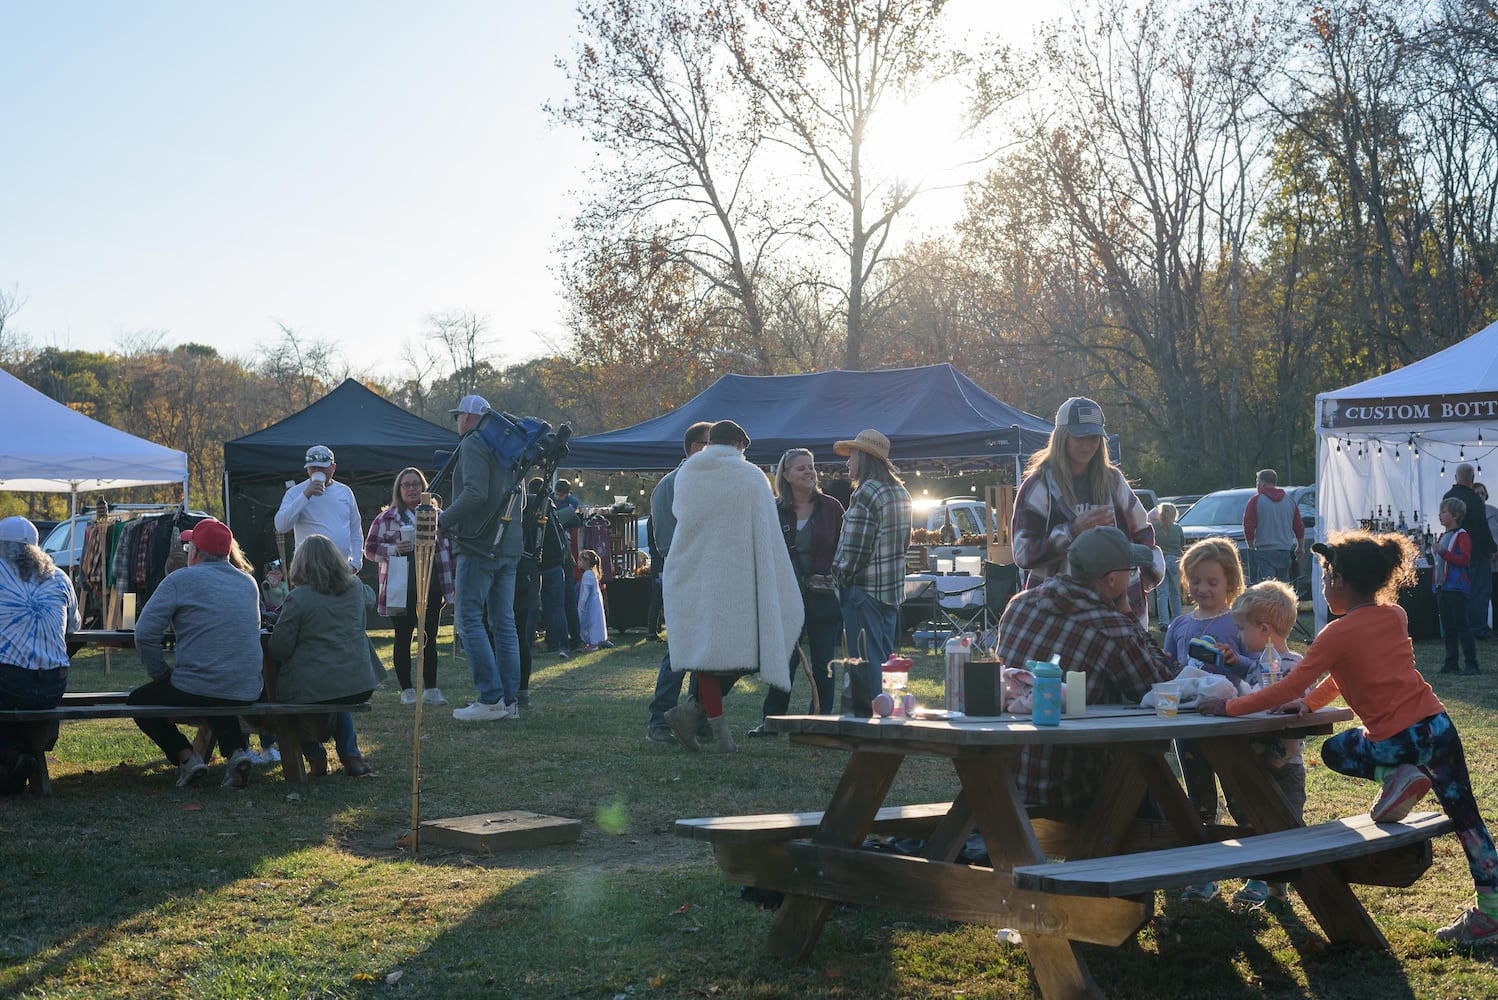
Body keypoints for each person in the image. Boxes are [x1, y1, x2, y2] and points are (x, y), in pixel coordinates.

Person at [1199, 530, 1498, 947]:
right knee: (1467, 818)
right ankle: (1492, 913)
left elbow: (1288, 687)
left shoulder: (1334, 634)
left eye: (1323, 580)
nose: (1322, 590)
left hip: (1394, 741)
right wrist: (1309, 705)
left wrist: (1229, 708)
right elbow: (1344, 674)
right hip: (1438, 726)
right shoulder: (1395, 615)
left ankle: (1395, 776)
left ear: (1338, 580)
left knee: (1336, 748)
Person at [995, 526, 1175, 812]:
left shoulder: (1019, 605)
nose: (1133, 578)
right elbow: (1162, 686)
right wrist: (1127, 613)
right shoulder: (1111, 628)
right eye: (1131, 571)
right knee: (1147, 787)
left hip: (1006, 777)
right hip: (1070, 785)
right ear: (1113, 580)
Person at [662, 420, 802, 753]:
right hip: (739, 579)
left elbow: (683, 516)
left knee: (711, 656)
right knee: (746, 653)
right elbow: (766, 532)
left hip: (695, 573)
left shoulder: (687, 473)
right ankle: (716, 731)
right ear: (740, 445)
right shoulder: (752, 476)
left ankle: (696, 715)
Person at [128, 517, 263, 789]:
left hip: (202, 684)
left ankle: (187, 758)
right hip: (246, 686)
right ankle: (237, 754)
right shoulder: (248, 583)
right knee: (215, 689)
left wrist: (162, 675)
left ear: (196, 552)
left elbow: (143, 633)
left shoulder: (179, 579)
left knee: (139, 701)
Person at [1011, 397, 1162, 630]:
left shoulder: (1113, 480)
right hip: (1058, 615)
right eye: (1078, 436)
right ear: (1062, 437)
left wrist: (1142, 580)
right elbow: (1022, 553)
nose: (1087, 445)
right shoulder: (1038, 485)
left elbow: (1143, 532)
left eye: (1093, 437)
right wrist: (1072, 531)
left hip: (1116, 612)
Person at [1161, 536, 1249, 900]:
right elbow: (1168, 667)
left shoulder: (1239, 622)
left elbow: (1256, 669)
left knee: (1242, 796)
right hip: (1189, 727)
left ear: (1230, 582)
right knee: (1198, 799)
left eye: (1212, 582)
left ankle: (1259, 873)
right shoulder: (1180, 625)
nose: (1202, 588)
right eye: (1195, 581)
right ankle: (1203, 874)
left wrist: (1234, 661)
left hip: (1230, 726)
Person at [268, 535, 387, 777]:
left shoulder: (298, 598)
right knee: (337, 692)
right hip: (359, 682)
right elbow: (370, 597)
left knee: (297, 697)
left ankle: (316, 758)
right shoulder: (355, 589)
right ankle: (352, 756)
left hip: (315, 685)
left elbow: (279, 649)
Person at [749, 448, 845, 736]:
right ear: (786, 475)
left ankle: (821, 721)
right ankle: (772, 721)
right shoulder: (775, 510)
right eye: (801, 468)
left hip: (824, 595)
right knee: (784, 661)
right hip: (785, 596)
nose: (809, 472)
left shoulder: (832, 507)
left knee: (823, 661)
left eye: (811, 467)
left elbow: (843, 549)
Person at [440, 394, 524, 721]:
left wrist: (442, 519)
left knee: (468, 619)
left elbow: (475, 493)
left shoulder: (474, 442)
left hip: (479, 544)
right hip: (510, 544)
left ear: (469, 418)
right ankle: (509, 701)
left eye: (458, 415)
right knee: (504, 623)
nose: (456, 422)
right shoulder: (510, 446)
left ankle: (490, 698)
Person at [830, 429, 912, 713]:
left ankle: (873, 716)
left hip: (863, 590)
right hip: (890, 591)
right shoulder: (900, 492)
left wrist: (837, 578)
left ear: (864, 457)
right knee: (884, 658)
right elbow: (904, 543)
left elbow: (855, 549)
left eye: (852, 455)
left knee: (865, 660)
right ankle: (887, 709)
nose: (848, 462)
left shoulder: (867, 491)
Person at [645, 421, 713, 743]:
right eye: (714, 444)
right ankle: (659, 720)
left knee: (706, 652)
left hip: (711, 577)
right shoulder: (669, 486)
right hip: (685, 577)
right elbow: (667, 543)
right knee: (679, 651)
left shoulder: (715, 482)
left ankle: (696, 717)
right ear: (696, 447)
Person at [363, 467, 455, 706]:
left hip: (432, 585)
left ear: (424, 488)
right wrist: (393, 549)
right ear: (399, 490)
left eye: (416, 484)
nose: (412, 489)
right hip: (400, 586)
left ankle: (431, 689)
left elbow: (451, 549)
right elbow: (369, 549)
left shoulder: (438, 516)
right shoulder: (386, 518)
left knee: (429, 637)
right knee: (403, 637)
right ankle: (407, 690)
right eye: (407, 485)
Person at [0, 516, 78, 792]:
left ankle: (13, 755)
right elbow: (73, 626)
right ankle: (18, 757)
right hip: (52, 686)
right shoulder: (60, 577)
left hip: (9, 682)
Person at [273, 445, 363, 572]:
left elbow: (355, 530)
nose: (316, 471)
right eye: (312, 468)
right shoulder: (295, 492)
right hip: (308, 570)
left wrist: (355, 563)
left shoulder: (345, 492)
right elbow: (281, 526)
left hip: (341, 569)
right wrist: (306, 495)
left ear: (333, 467)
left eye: (321, 468)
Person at [1445, 463, 1495, 639]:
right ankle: (1479, 629)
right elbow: (1482, 527)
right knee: (1479, 592)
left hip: (1455, 552)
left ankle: (1461, 629)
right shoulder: (1474, 499)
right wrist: (1493, 548)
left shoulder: (1448, 497)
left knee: (1459, 592)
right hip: (1477, 553)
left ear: (1455, 477)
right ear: (1472, 479)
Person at [1432, 497, 1480, 676]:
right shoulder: (1443, 536)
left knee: (1462, 627)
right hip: (1443, 588)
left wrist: (1443, 552)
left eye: (1444, 512)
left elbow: (1464, 560)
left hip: (1457, 588)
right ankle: (1451, 662)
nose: (1440, 515)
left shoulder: (1462, 535)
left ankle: (1471, 663)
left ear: (1456, 515)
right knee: (1449, 628)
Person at [1242, 469, 1304, 584]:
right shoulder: (1289, 500)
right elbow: (1298, 526)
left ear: (1262, 483)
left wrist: (1250, 545)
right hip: (1284, 549)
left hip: (1264, 550)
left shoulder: (1256, 500)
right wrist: (1300, 546)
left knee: (1266, 586)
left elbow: (1248, 524)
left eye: (1257, 482)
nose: (1257, 486)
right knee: (1283, 585)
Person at [554, 479, 585, 651]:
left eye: (561, 495)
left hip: (560, 558)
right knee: (568, 601)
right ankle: (574, 639)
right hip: (565, 557)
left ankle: (563, 640)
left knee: (561, 602)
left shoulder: (568, 504)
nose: (558, 498)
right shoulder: (557, 503)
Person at [1151, 502, 1184, 629]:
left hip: (1160, 560)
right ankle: (1177, 618)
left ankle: (1163, 622)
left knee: (1162, 593)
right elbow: (1181, 543)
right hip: (1174, 560)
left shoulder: (1154, 527)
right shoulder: (1177, 528)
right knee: (1175, 592)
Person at [576, 549, 613, 650]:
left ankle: (592, 642)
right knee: (596, 621)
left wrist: (582, 604)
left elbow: (586, 592)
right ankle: (595, 641)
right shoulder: (592, 574)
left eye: (580, 560)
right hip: (595, 603)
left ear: (587, 562)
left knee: (590, 622)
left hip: (589, 604)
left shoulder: (587, 575)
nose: (578, 562)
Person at [1477, 482, 1498, 633]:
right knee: (1481, 596)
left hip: (1496, 560)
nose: (1480, 496)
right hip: (1480, 561)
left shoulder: (1494, 512)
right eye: (1476, 493)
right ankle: (1481, 627)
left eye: (1482, 493)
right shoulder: (1468, 514)